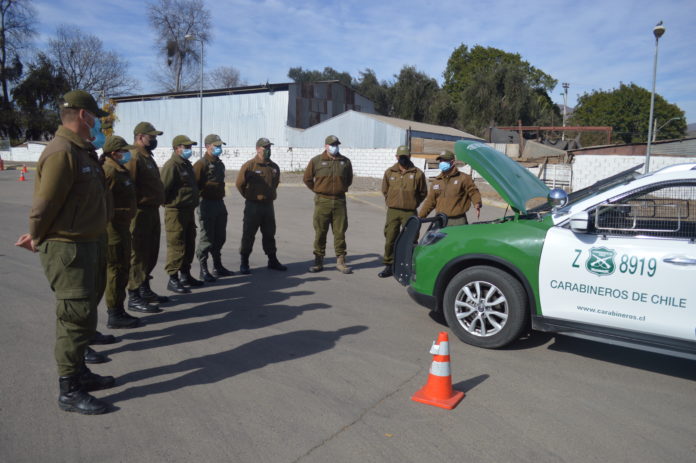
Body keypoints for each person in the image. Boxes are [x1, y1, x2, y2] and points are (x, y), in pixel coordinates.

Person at [15, 90, 114, 415]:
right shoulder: (62, 152)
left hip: (87, 243)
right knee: (73, 317)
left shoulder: (81, 151)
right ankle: (68, 389)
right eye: (96, 116)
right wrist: (36, 235)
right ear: (83, 116)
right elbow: (45, 204)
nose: (99, 122)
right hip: (68, 248)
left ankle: (80, 373)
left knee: (85, 312)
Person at [125, 121, 166, 313]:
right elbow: (129, 186)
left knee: (151, 252)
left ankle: (144, 288)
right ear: (140, 137)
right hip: (140, 212)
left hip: (151, 211)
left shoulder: (147, 156)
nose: (154, 140)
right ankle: (133, 295)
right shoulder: (133, 157)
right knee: (138, 254)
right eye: (152, 137)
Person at [100, 136, 141, 328]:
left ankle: (119, 309)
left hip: (122, 227)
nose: (128, 154)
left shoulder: (119, 169)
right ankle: (114, 313)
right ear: (115, 153)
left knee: (123, 268)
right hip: (113, 230)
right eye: (124, 151)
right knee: (116, 270)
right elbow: (100, 204)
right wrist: (123, 212)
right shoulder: (109, 171)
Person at [235, 137, 287, 274]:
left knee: (270, 233)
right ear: (258, 149)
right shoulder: (249, 166)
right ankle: (244, 261)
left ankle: (272, 260)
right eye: (265, 148)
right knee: (249, 234)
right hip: (253, 206)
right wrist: (249, 196)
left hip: (268, 206)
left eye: (269, 148)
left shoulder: (274, 167)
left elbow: (275, 184)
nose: (268, 150)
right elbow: (239, 184)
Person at [303, 135, 353, 274]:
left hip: (339, 201)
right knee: (320, 231)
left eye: (336, 144)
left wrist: (340, 189)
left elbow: (349, 180)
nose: (335, 146)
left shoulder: (345, 162)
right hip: (322, 201)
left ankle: (341, 261)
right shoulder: (316, 161)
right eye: (332, 144)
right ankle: (318, 261)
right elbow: (307, 179)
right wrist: (318, 190)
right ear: (326, 146)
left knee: (340, 232)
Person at [379, 145, 428, 278]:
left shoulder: (417, 173)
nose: (403, 159)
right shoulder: (390, 172)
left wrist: (414, 202)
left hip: (410, 212)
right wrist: (391, 200)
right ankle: (389, 265)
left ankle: (410, 266)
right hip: (393, 211)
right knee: (390, 238)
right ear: (396, 157)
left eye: (405, 157)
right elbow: (385, 190)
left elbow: (423, 192)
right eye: (401, 157)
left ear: (410, 157)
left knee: (410, 239)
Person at [161, 135, 202, 293]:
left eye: (190, 147)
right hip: (176, 212)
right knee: (177, 245)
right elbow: (163, 189)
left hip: (188, 211)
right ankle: (173, 278)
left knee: (189, 243)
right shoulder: (172, 166)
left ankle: (186, 274)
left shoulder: (186, 165)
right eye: (186, 147)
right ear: (177, 148)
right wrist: (171, 204)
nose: (189, 150)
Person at [193, 134, 234, 282]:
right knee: (207, 237)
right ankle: (203, 269)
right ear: (207, 146)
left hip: (219, 203)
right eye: (216, 146)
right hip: (206, 203)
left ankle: (217, 266)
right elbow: (194, 186)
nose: (219, 148)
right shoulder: (201, 164)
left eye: (220, 146)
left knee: (219, 236)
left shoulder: (219, 164)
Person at [418, 149, 482, 226]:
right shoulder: (437, 181)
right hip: (440, 220)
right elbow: (430, 201)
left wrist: (477, 203)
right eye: (441, 161)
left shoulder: (463, 178)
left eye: (444, 160)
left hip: (457, 221)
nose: (442, 163)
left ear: (452, 162)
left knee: (459, 238)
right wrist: (420, 217)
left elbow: (473, 191)